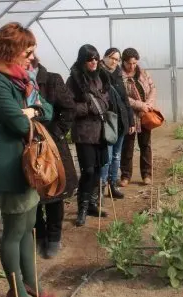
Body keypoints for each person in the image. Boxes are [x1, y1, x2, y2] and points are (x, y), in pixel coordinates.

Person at [0, 22, 55, 297]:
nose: (31, 57)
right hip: (11, 165)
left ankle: (30, 284)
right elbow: (17, 123)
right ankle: (17, 293)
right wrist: (29, 113)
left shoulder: (24, 79)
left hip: (30, 165)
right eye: (28, 51)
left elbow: (47, 110)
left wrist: (33, 110)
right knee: (13, 232)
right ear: (10, 50)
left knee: (28, 228)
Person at [32, 57, 78, 258]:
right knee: (33, 193)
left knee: (53, 192)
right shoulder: (14, 84)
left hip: (52, 148)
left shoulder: (52, 80)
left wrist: (57, 133)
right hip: (28, 148)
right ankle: (39, 235)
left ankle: (54, 237)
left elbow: (69, 108)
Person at [66, 44, 112, 226]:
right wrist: (89, 107)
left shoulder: (102, 76)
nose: (93, 62)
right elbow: (69, 106)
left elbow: (107, 99)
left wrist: (103, 105)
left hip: (101, 131)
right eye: (89, 59)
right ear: (82, 61)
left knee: (100, 168)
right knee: (88, 170)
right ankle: (82, 209)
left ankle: (93, 204)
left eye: (95, 58)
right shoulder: (74, 81)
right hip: (84, 132)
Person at [119, 48, 158, 187]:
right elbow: (122, 97)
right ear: (123, 62)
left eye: (135, 63)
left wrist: (148, 104)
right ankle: (125, 175)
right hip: (128, 115)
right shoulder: (118, 76)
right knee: (127, 146)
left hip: (144, 115)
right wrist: (140, 105)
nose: (132, 66)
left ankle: (146, 174)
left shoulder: (143, 73)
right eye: (129, 63)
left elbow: (153, 88)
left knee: (145, 145)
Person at [100, 47, 135, 199]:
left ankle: (112, 184)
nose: (114, 61)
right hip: (108, 121)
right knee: (106, 157)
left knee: (116, 156)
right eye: (112, 58)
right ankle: (101, 188)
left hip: (121, 120)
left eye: (117, 59)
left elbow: (125, 100)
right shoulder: (99, 74)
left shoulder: (118, 74)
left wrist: (131, 120)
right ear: (105, 57)